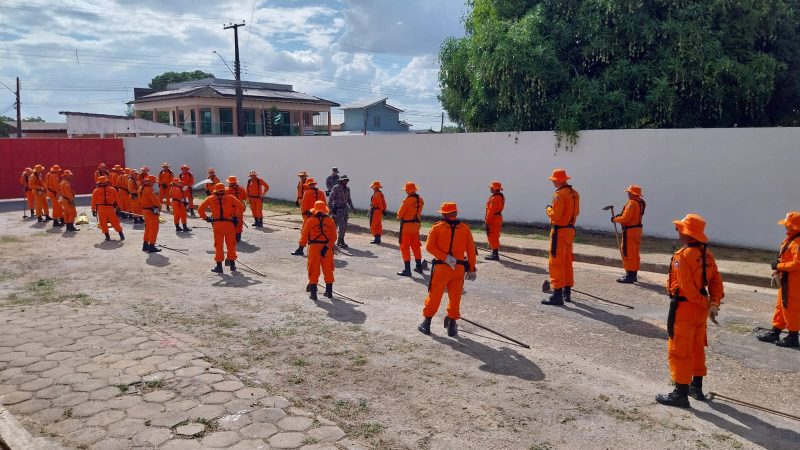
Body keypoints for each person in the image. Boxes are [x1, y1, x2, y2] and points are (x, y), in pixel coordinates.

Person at [656, 214, 723, 407]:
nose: (677, 232)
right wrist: (713, 303)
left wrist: (705, 302)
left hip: (686, 308)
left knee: (680, 350)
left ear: (686, 233)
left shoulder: (682, 256)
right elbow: (716, 281)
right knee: (696, 347)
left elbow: (686, 288)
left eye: (680, 229)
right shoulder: (707, 253)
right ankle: (696, 387)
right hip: (700, 311)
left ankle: (680, 393)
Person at [418, 202, 477, 337]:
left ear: (444, 214)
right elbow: (471, 252)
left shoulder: (437, 227)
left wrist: (445, 257)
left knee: (435, 295)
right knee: (455, 297)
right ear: (455, 213)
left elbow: (429, 247)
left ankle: (426, 324)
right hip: (459, 269)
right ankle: (451, 326)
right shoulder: (465, 229)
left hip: (442, 267)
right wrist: (472, 269)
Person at [756, 211, 800, 348]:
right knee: (781, 307)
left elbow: (797, 263)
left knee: (791, 308)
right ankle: (775, 331)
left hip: (795, 282)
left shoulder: (798, 242)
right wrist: (778, 270)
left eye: (788, 225)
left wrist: (779, 265)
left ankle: (793, 337)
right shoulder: (792, 239)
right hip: (787, 279)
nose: (785, 227)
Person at [542, 169, 580, 306]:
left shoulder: (559, 194)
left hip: (559, 231)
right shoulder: (574, 194)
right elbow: (576, 212)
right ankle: (566, 292)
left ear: (558, 180)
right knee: (567, 261)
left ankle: (557, 294)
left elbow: (556, 215)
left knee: (556, 262)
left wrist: (548, 209)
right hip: (570, 230)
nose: (552, 182)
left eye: (553, 180)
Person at [198, 183, 244, 273]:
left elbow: (200, 209)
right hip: (229, 224)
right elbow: (241, 207)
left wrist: (206, 218)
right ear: (224, 190)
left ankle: (219, 267)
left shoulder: (210, 198)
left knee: (218, 245)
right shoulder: (230, 197)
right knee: (231, 244)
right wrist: (236, 217)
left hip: (217, 224)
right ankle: (232, 265)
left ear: (215, 190)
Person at [299, 200, 337, 300]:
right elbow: (334, 237)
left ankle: (313, 294)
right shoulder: (330, 221)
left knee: (313, 270)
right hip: (327, 249)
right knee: (328, 269)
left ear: (315, 210)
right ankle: (329, 292)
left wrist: (301, 247)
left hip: (314, 248)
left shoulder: (310, 221)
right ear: (324, 210)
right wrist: (327, 247)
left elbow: (304, 235)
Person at [613, 185, 646, 283]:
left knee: (628, 252)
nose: (627, 194)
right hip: (637, 230)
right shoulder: (642, 202)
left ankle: (630, 276)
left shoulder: (632, 203)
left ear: (632, 193)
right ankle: (633, 273)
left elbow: (625, 219)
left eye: (629, 192)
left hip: (630, 231)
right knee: (635, 252)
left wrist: (615, 219)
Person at [291, 178, 327, 256]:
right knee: (320, 232)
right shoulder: (321, 193)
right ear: (314, 184)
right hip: (321, 216)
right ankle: (320, 250)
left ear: (308, 185)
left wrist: (304, 216)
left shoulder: (307, 193)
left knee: (305, 233)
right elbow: (325, 204)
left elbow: (304, 206)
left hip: (310, 216)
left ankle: (300, 249)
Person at [397, 182, 425, 276]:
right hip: (416, 226)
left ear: (407, 190)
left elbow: (399, 215)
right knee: (416, 246)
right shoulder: (421, 200)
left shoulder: (407, 200)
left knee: (405, 247)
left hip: (406, 227)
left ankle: (407, 270)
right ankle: (419, 267)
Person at [91, 176, 125, 241]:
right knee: (115, 221)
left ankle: (107, 237)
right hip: (110, 208)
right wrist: (119, 207)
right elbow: (117, 199)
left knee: (103, 223)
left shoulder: (96, 191)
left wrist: (93, 210)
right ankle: (121, 235)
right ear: (106, 182)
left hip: (101, 209)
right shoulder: (112, 189)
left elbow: (93, 201)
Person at [329, 175, 355, 248]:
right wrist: (329, 209)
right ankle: (332, 241)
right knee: (335, 226)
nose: (346, 181)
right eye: (344, 180)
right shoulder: (336, 188)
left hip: (344, 210)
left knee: (344, 226)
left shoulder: (348, 189)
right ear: (340, 181)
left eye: (346, 180)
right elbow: (331, 199)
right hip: (337, 210)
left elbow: (349, 199)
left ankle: (341, 240)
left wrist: (352, 208)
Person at [140, 175, 162, 253]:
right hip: (151, 211)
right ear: (150, 182)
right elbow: (154, 200)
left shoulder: (141, 188)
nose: (154, 184)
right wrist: (159, 206)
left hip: (145, 211)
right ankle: (151, 246)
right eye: (153, 182)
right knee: (154, 229)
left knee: (148, 228)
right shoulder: (149, 189)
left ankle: (145, 245)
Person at [484, 181, 505, 261]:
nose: (490, 189)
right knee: (494, 236)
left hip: (493, 219)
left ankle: (495, 255)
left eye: (491, 187)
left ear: (494, 188)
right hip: (497, 217)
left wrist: (486, 222)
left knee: (493, 236)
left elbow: (491, 211)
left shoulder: (495, 198)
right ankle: (494, 253)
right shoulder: (500, 196)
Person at [226, 176, 248, 242]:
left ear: (229, 183)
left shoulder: (226, 190)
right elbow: (244, 197)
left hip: (231, 209)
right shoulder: (241, 189)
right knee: (239, 222)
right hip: (240, 208)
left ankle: (232, 237)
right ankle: (238, 237)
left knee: (230, 222)